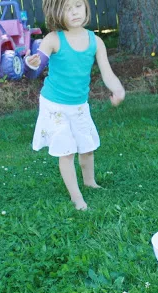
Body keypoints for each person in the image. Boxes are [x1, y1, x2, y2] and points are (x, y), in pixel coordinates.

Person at [24, 0, 125, 210]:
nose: (74, 12)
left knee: (87, 147)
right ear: (56, 13)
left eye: (78, 5)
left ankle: (90, 182)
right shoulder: (53, 39)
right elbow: (36, 66)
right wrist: (31, 63)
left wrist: (118, 89)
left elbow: (106, 72)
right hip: (55, 106)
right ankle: (76, 197)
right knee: (67, 151)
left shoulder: (95, 41)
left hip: (79, 105)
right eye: (67, 9)